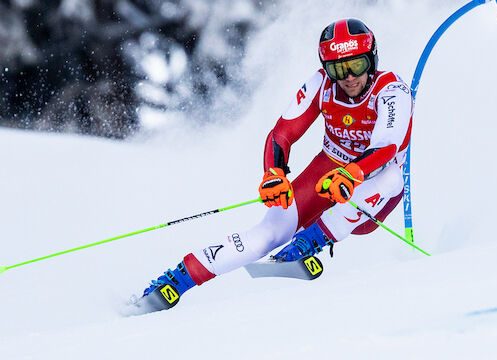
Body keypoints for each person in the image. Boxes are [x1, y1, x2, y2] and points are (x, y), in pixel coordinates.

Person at [137, 18, 413, 310]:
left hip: (374, 182)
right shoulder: (321, 84)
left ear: (371, 60)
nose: (348, 78)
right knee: (269, 233)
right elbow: (282, 133)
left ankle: (307, 242)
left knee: (393, 177)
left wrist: (352, 172)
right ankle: (174, 281)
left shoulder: (392, 91)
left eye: (356, 66)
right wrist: (274, 173)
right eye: (337, 68)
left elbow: (386, 147)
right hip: (329, 170)